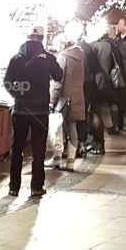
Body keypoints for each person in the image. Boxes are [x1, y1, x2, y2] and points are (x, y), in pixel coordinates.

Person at [4, 29, 63, 197]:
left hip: (20, 110)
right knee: (39, 150)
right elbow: (59, 75)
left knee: (17, 149)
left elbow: (7, 82)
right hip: (40, 111)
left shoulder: (16, 58)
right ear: (42, 39)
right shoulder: (48, 58)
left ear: (27, 38)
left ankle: (13, 187)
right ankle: (36, 187)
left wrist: (18, 95)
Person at [50, 28, 86, 171]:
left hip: (65, 98)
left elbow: (58, 82)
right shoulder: (80, 56)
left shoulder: (63, 57)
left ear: (62, 44)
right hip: (77, 96)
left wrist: (52, 99)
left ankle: (57, 158)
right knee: (72, 128)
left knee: (57, 129)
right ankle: (70, 161)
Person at [81, 24, 118, 153]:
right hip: (103, 80)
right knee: (96, 112)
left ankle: (98, 143)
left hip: (96, 81)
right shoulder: (109, 44)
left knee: (94, 112)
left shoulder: (95, 46)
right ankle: (98, 142)